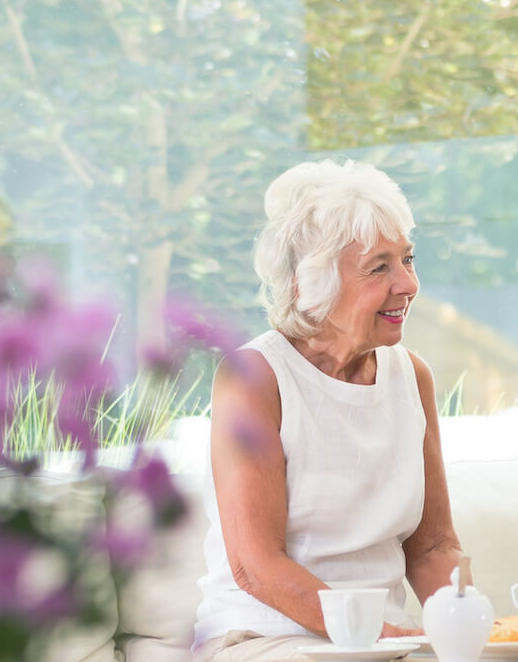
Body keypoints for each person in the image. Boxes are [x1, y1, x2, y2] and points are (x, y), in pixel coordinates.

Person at [194, 160, 463, 661]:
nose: (407, 284)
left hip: (384, 643)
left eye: (408, 259)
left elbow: (432, 548)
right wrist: (374, 634)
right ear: (309, 283)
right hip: (267, 636)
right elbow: (255, 565)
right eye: (379, 267)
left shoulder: (412, 376)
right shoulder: (255, 377)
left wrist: (468, 625)